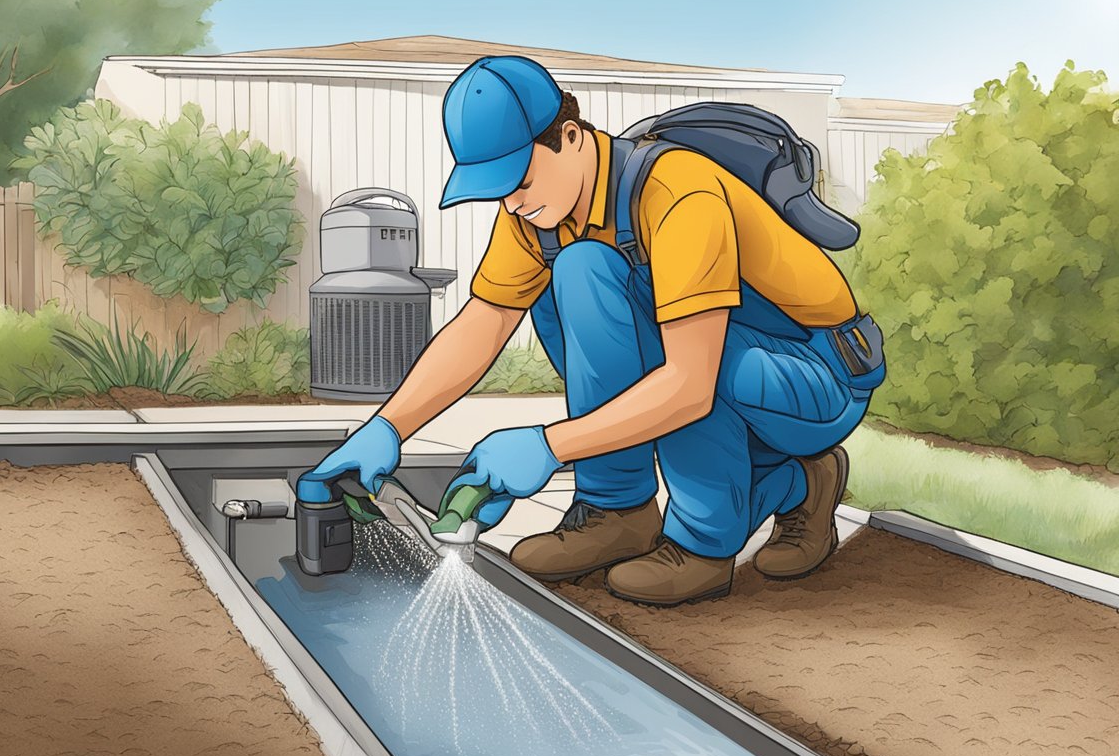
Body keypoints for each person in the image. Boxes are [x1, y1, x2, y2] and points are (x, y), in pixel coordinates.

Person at [299, 55, 885, 606]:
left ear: (572, 136)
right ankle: (616, 511)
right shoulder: (537, 213)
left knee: (674, 349)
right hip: (724, 363)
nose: (512, 201)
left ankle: (710, 539)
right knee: (577, 269)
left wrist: (547, 447)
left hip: (817, 373)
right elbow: (483, 322)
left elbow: (689, 382)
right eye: (498, 188)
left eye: (520, 178)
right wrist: (387, 429)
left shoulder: (678, 192)